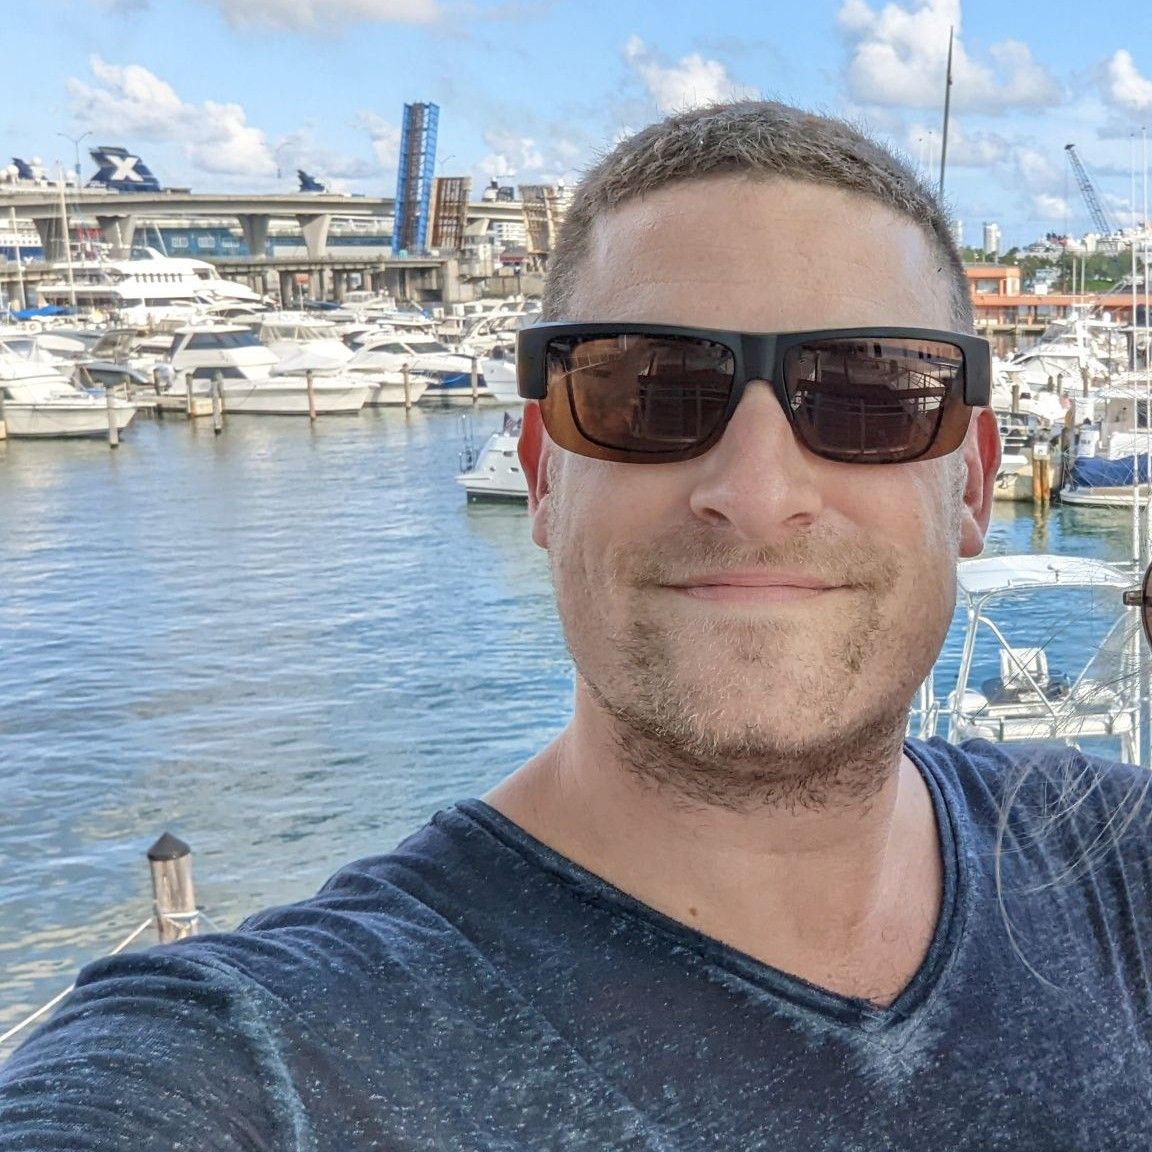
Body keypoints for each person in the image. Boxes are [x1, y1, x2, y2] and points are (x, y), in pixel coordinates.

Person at [3, 100, 1152, 1149]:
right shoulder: (261, 1054)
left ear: (972, 485)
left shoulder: (1110, 856)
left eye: (867, 395)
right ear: (543, 473)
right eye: (652, 392)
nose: (757, 492)